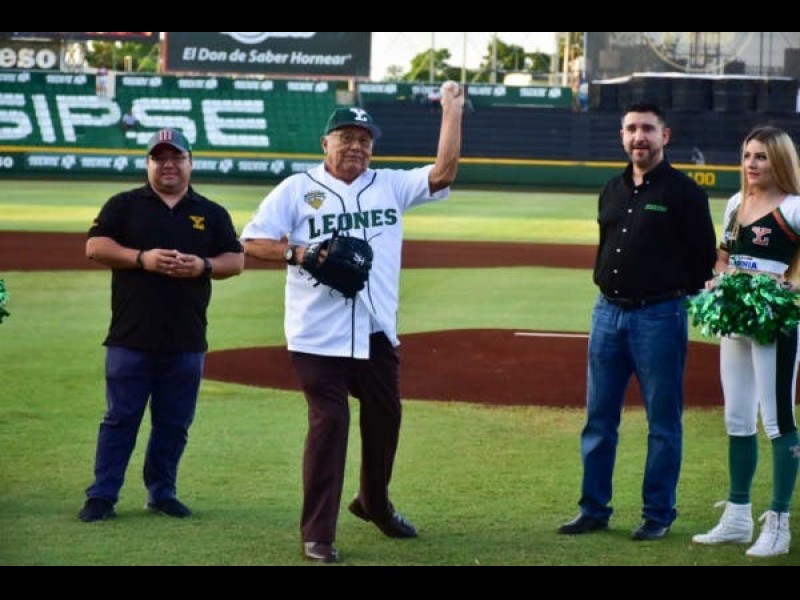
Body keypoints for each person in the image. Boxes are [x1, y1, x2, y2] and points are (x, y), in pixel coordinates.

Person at [241, 85, 464, 563]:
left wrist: (452, 111)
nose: (356, 146)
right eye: (346, 138)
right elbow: (253, 241)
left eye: (364, 139)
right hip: (316, 333)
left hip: (375, 329)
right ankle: (318, 533)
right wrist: (299, 252)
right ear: (325, 143)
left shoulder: (389, 185)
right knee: (331, 423)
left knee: (386, 417)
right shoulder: (296, 189)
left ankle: (373, 503)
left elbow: (443, 173)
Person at [558, 101, 717, 541]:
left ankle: (658, 514)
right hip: (607, 312)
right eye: (631, 129)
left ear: (665, 135)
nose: (638, 137)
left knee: (662, 424)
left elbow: (703, 260)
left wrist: (669, 293)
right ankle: (593, 509)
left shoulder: (685, 193)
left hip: (659, 316)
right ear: (622, 136)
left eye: (647, 128)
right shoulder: (611, 189)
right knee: (599, 420)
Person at [78, 128, 244, 522]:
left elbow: (235, 261)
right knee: (120, 419)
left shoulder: (211, 212)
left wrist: (202, 265)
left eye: (176, 157)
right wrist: (143, 259)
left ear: (190, 162)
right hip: (130, 336)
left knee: (173, 424)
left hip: (187, 338)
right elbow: (95, 246)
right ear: (148, 163)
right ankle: (102, 495)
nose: (168, 164)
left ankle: (162, 492)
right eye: (159, 158)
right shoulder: (124, 205)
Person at [692, 126, 800, 557]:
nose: (751, 164)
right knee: (737, 419)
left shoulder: (793, 207)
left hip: (776, 323)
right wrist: (718, 281)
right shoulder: (737, 203)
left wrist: (789, 286)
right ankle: (737, 517)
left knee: (777, 422)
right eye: (747, 155)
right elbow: (724, 257)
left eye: (761, 156)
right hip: (735, 319)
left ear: (780, 161)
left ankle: (779, 523)